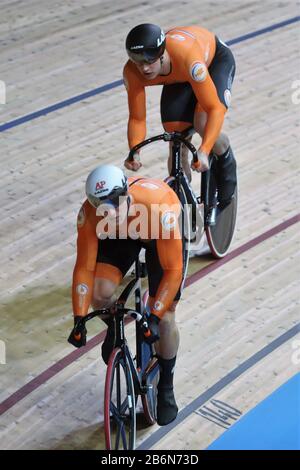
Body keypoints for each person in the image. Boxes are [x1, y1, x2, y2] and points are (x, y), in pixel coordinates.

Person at [68, 164, 185, 426]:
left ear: (127, 194)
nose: (110, 209)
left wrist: (153, 316)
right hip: (121, 235)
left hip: (157, 233)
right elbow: (84, 268)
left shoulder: (159, 209)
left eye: (116, 201)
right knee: (100, 294)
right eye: (103, 205)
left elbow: (173, 270)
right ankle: (114, 326)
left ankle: (166, 383)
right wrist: (79, 317)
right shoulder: (91, 215)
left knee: (166, 317)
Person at [123, 23, 237, 206]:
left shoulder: (188, 59)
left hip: (213, 61)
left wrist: (205, 150)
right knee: (176, 137)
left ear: (161, 54)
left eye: (149, 61)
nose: (144, 69)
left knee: (201, 123)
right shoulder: (132, 72)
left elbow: (215, 108)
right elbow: (137, 118)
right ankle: (184, 201)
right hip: (179, 75)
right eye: (139, 62)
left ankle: (226, 163)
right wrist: (134, 150)